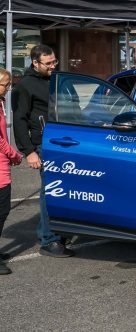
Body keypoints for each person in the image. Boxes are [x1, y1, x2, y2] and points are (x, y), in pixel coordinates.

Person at [12, 44, 74, 258]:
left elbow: (75, 107)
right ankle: (49, 239)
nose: (52, 66)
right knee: (51, 190)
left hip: (69, 142)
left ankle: (63, 229)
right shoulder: (25, 86)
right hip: (45, 145)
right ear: (35, 63)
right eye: (48, 63)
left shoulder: (59, 79)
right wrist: (29, 151)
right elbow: (19, 121)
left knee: (66, 190)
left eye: (54, 62)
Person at [0, 69, 23, 274]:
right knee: (1, 211)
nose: (8, 89)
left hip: (2, 164)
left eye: (8, 85)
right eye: (5, 85)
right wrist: (13, 154)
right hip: (0, 166)